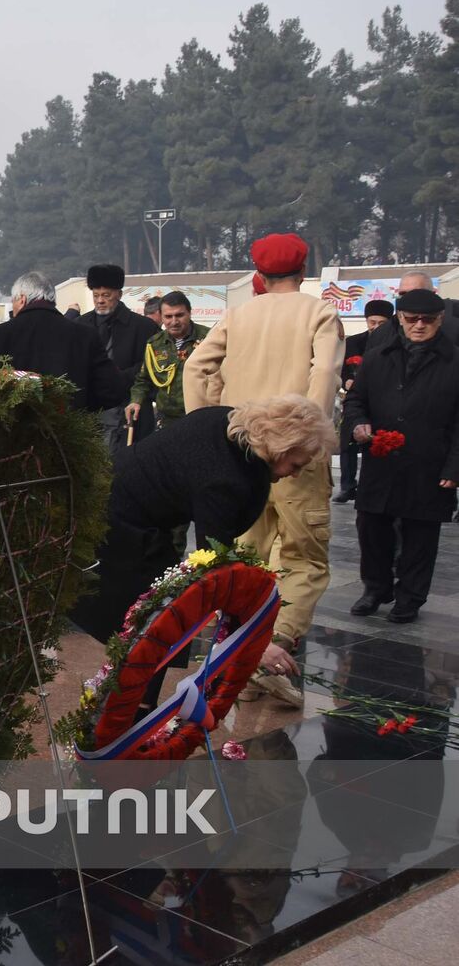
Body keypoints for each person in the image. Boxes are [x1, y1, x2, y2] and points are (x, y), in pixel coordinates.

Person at [71, 396, 335, 710]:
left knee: (158, 619)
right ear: (281, 447)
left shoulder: (230, 422)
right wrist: (255, 643)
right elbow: (217, 567)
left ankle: (134, 705)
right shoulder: (223, 479)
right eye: (296, 465)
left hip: (122, 507)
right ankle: (129, 712)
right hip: (118, 523)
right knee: (156, 620)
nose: (293, 474)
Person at [184, 232, 343, 706]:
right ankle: (274, 648)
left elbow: (196, 368)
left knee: (250, 560)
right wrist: (306, 437)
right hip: (296, 456)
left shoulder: (238, 313)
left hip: (245, 449)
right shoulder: (319, 312)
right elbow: (326, 374)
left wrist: (212, 425)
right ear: (303, 267)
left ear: (258, 271)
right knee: (303, 561)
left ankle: (246, 662)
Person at [343, 289, 459, 624]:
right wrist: (359, 424)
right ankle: (376, 588)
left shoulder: (454, 362)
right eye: (411, 319)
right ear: (400, 319)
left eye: (427, 320)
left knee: (420, 535)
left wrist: (454, 467)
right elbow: (355, 402)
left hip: (429, 463)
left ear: (439, 321)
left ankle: (410, 597)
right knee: (371, 527)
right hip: (382, 460)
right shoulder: (378, 356)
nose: (419, 326)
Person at [0, 271, 125, 411]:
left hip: (11, 431)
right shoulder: (85, 335)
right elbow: (113, 390)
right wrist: (79, 406)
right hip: (69, 431)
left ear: (21, 299)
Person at [79, 265, 159, 449]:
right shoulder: (81, 325)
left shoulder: (143, 327)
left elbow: (149, 365)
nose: (100, 301)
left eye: (106, 295)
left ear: (119, 294)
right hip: (93, 409)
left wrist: (118, 378)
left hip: (130, 407)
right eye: (96, 295)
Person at [334, 299, 395, 503]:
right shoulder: (353, 343)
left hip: (381, 401)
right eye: (372, 322)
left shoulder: (394, 343)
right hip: (356, 400)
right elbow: (341, 369)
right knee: (347, 443)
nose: (375, 327)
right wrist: (347, 380)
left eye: (381, 323)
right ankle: (348, 485)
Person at [127, 292, 210, 430]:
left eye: (179, 315)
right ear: (161, 316)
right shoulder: (154, 344)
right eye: (168, 316)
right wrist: (135, 401)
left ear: (189, 313)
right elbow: (143, 380)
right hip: (166, 420)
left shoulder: (209, 338)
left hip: (200, 417)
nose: (174, 321)